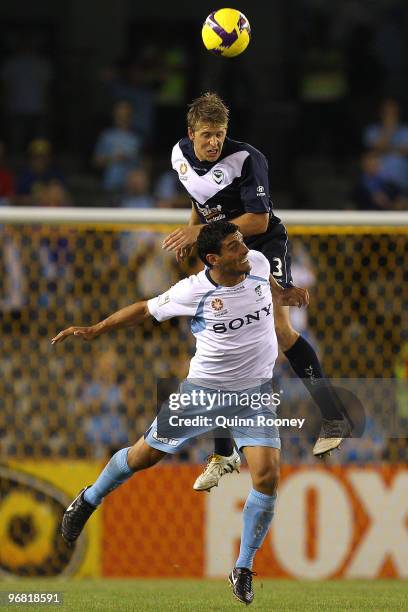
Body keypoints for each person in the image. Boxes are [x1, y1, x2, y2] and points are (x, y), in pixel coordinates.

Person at [52, 221, 308, 605]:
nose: (243, 248)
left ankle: (242, 567)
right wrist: (96, 329)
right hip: (202, 392)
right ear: (213, 258)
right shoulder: (194, 291)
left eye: (241, 241)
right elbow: (144, 309)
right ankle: (89, 499)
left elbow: (267, 291)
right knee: (144, 455)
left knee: (268, 475)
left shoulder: (255, 261)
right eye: (233, 246)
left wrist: (287, 294)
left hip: (254, 394)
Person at [162, 92, 351, 490]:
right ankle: (224, 451)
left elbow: (260, 220)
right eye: (207, 135)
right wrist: (196, 240)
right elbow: (201, 201)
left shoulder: (248, 159)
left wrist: (199, 233)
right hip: (223, 250)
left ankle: (334, 415)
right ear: (190, 134)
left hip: (261, 246)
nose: (214, 142)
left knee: (281, 333)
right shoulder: (179, 156)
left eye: (221, 134)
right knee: (217, 339)